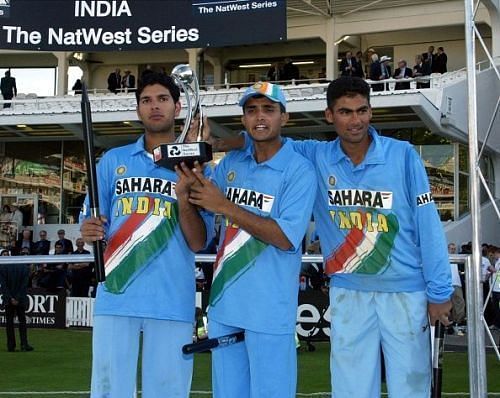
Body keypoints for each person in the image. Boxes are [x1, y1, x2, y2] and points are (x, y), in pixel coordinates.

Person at [208, 76, 453, 398]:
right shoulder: (316, 155)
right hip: (348, 291)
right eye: (345, 112)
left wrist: (440, 291)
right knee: (350, 391)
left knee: (410, 388)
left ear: (370, 112)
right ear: (329, 115)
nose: (355, 121)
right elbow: (265, 137)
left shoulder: (403, 155)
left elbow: (429, 225)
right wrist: (220, 144)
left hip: (406, 292)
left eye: (362, 111)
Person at [79, 71, 214, 398]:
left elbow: (199, 241)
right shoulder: (114, 160)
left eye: (163, 99)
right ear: (138, 109)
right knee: (109, 391)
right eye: (146, 100)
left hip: (171, 299)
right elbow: (91, 222)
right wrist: (89, 231)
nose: (155, 107)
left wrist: (183, 197)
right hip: (116, 294)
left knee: (168, 392)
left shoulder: (194, 165)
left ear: (178, 107)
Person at [187, 81, 317, 398]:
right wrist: (197, 154)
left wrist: (225, 206)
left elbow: (286, 237)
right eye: (251, 110)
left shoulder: (300, 170)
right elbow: (200, 204)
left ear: (284, 118)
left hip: (270, 310)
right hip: (225, 306)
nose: (260, 117)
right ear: (244, 120)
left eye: (268, 110)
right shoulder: (232, 164)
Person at [0, 248, 34, 352]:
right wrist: (17, 298)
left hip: (8, 299)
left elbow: (3, 285)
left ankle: (11, 345)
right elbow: (24, 285)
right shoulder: (25, 268)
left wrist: (10, 298)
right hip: (20, 299)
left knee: (9, 322)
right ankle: (24, 344)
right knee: (22, 321)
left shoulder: (3, 268)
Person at [448, 243, 466, 334]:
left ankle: (456, 321)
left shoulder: (457, 258)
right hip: (448, 283)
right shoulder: (446, 257)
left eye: (454, 249)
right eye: (451, 248)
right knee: (450, 303)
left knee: (459, 302)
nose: (453, 250)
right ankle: (451, 322)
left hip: (456, 283)